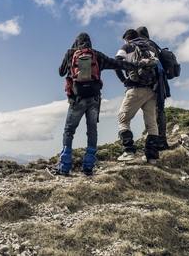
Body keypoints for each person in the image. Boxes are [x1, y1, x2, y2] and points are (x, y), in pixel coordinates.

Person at [57, 32, 136, 176]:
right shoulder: (96, 55)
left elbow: (61, 72)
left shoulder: (70, 53)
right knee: (92, 131)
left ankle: (64, 166)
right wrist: (134, 66)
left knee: (69, 131)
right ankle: (88, 166)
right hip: (94, 100)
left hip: (77, 99)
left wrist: (70, 56)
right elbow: (116, 63)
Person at [114, 29, 162, 164]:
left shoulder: (127, 46)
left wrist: (124, 80)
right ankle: (152, 157)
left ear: (127, 39)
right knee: (151, 123)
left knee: (123, 119)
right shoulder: (151, 48)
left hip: (135, 89)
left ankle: (128, 151)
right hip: (152, 90)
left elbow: (117, 63)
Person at [136, 26, 171, 151]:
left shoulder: (143, 46)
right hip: (161, 83)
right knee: (160, 111)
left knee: (152, 112)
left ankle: (156, 142)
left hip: (152, 84)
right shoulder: (155, 45)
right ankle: (162, 141)